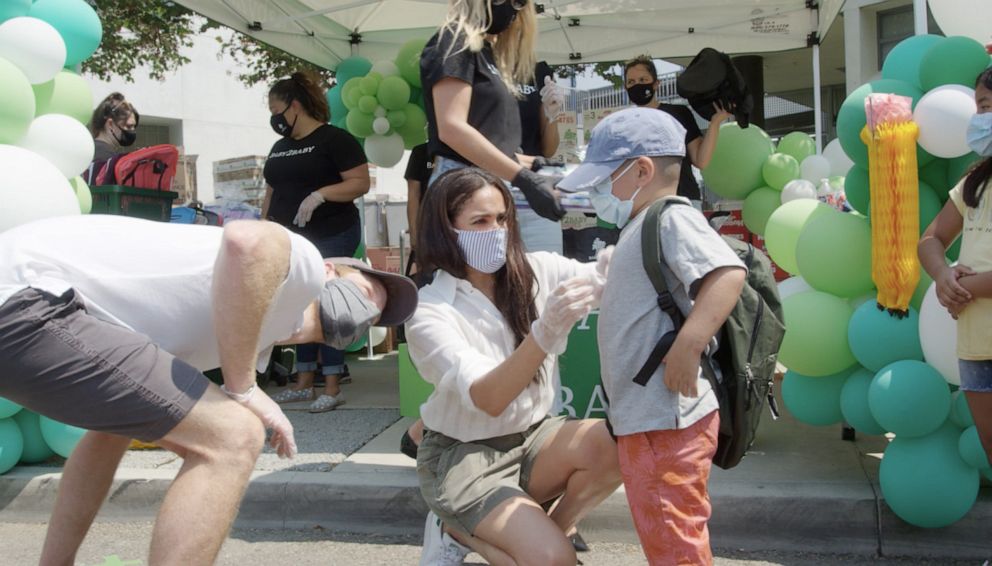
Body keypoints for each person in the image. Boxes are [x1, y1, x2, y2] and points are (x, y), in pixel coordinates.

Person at [0, 215, 418, 565]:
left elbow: (108, 431)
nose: (366, 312)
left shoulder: (243, 339)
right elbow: (247, 239)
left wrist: (244, 383)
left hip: (29, 310)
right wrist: (243, 389)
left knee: (117, 429)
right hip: (28, 298)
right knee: (233, 436)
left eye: (375, 316)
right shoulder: (303, 267)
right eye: (364, 292)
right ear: (330, 270)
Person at [558, 107, 747, 565]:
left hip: (667, 419)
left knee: (672, 540)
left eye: (606, 179)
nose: (599, 192)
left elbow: (726, 274)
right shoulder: (642, 224)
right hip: (649, 418)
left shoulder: (669, 217)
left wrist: (689, 343)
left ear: (642, 171)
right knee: (664, 533)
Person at [407, 167, 622, 566]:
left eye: (502, 218)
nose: (496, 231)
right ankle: (458, 531)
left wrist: (617, 265)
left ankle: (551, 535)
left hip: (532, 437)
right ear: (446, 229)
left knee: (619, 444)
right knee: (553, 561)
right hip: (465, 457)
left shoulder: (537, 270)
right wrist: (543, 334)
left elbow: (601, 278)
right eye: (480, 221)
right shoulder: (430, 311)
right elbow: (489, 398)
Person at [261, 71, 372, 412]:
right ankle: (303, 380)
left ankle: (333, 383)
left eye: (277, 109)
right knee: (298, 302)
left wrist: (321, 195)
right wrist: (264, 226)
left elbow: (360, 182)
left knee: (329, 302)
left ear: (294, 106)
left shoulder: (335, 140)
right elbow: (271, 190)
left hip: (332, 231)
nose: (274, 118)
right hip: (290, 238)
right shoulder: (280, 147)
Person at [420, 0, 564, 222]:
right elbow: (451, 128)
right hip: (463, 191)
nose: (514, 10)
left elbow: (491, 141)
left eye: (520, 2)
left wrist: (533, 164)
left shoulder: (491, 56)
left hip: (493, 189)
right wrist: (523, 177)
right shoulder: (454, 42)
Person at [918, 67, 992, 470]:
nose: (983, 116)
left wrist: (964, 286)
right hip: (977, 345)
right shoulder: (973, 182)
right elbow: (931, 240)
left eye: (988, 106)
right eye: (981, 106)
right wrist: (942, 275)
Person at [624, 54, 732, 208]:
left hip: (683, 200)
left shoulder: (679, 113)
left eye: (643, 80)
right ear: (625, 87)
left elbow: (700, 160)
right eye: (631, 82)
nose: (637, 85)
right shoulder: (623, 123)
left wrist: (715, 123)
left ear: (656, 84)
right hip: (642, 205)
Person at [85, 92, 139, 182]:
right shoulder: (107, 158)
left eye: (134, 126)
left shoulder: (90, 149)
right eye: (128, 126)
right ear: (110, 124)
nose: (132, 131)